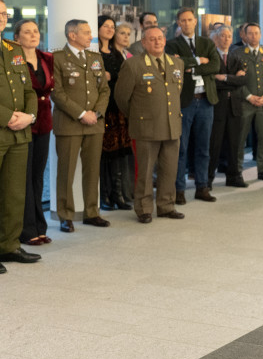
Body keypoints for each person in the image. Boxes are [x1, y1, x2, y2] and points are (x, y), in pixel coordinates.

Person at [115, 27, 185, 223]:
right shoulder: (133, 65)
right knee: (145, 172)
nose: (157, 42)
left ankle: (166, 206)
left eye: (160, 38)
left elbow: (176, 92)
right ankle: (144, 208)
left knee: (169, 169)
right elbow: (122, 98)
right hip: (145, 127)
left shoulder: (177, 63)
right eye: (152, 39)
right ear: (143, 43)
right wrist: (139, 115)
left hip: (172, 126)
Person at [51, 19, 111, 233]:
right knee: (66, 171)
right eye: (86, 32)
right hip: (69, 124)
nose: (90, 36)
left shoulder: (95, 58)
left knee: (92, 170)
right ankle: (65, 216)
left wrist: (96, 113)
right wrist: (81, 113)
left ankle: (92, 212)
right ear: (72, 35)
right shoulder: (57, 58)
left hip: (95, 123)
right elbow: (56, 92)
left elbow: (104, 89)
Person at [166, 7, 220, 204]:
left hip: (206, 100)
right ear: (178, 23)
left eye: (190, 20)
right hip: (184, 102)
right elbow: (174, 66)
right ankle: (179, 189)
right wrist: (198, 60)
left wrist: (189, 65)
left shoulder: (207, 42)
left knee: (203, 148)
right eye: (183, 20)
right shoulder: (172, 45)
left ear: (195, 21)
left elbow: (215, 66)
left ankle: (202, 187)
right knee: (181, 148)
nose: (187, 23)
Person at [1, 10, 42, 271]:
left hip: (19, 131)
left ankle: (8, 245)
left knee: (14, 193)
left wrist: (29, 115)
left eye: (3, 13)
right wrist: (7, 116)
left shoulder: (12, 48)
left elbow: (28, 88)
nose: (1, 17)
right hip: (3, 124)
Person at [15, 20, 53, 246]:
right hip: (23, 122)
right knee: (24, 178)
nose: (33, 35)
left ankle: (40, 225)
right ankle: (26, 229)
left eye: (36, 31)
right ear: (17, 37)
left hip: (44, 122)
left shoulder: (47, 58)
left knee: (38, 176)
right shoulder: (13, 59)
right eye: (27, 32)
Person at [232, 22, 263, 183]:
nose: (253, 36)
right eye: (250, 33)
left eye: (256, 33)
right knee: (240, 139)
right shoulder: (237, 53)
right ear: (244, 35)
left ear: (260, 34)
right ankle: (237, 171)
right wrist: (249, 96)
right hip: (245, 103)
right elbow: (235, 79)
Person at [97, 15, 133, 212]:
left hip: (119, 108)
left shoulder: (117, 53)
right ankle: (105, 196)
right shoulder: (94, 53)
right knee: (105, 154)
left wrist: (113, 76)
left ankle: (118, 195)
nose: (110, 29)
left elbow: (126, 76)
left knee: (119, 154)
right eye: (106, 26)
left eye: (112, 26)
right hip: (104, 109)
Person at [209, 25, 247, 188]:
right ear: (216, 38)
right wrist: (232, 79)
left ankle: (233, 177)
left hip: (234, 107)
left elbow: (243, 81)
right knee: (214, 145)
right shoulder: (211, 58)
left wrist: (224, 78)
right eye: (223, 36)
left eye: (229, 36)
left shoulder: (235, 57)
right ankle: (207, 179)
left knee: (234, 144)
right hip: (217, 106)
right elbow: (212, 82)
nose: (226, 39)